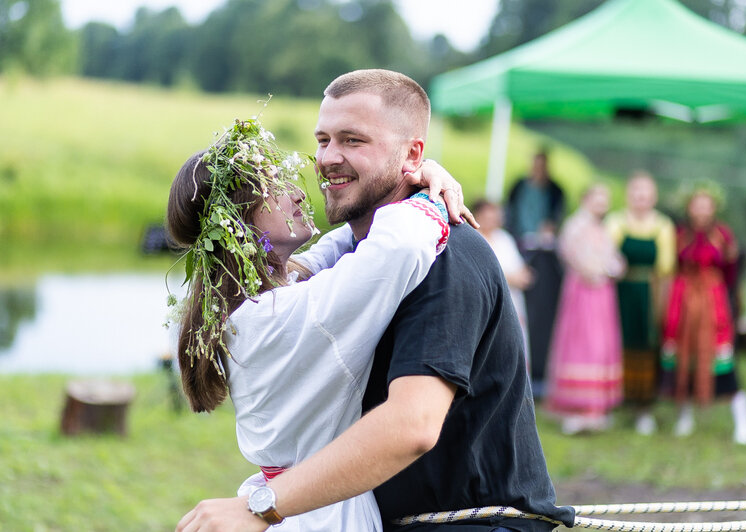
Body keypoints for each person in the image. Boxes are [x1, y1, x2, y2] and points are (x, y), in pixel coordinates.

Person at [178, 69, 574, 532]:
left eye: (352, 140)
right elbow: (368, 247)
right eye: (323, 140)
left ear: (411, 151)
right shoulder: (326, 282)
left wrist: (425, 181)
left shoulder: (444, 257)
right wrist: (426, 183)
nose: (326, 158)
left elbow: (413, 424)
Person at [167, 116, 469, 530]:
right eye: (273, 189)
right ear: (239, 222)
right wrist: (432, 195)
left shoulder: (254, 301)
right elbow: (394, 248)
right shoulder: (274, 318)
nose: (295, 192)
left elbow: (338, 249)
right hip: (317, 511)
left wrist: (414, 169)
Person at [661, 182, 746, 445]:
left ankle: (742, 421)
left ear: (714, 208)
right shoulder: (679, 234)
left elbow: (731, 274)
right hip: (684, 302)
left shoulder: (723, 235)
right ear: (689, 208)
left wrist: (733, 306)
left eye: (706, 205)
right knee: (684, 357)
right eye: (696, 205)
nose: (701, 211)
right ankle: (685, 415)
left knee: (723, 358)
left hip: (714, 304)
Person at [546, 185, 625, 434]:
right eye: (597, 199)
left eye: (605, 200)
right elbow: (572, 255)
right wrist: (598, 271)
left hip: (602, 294)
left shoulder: (602, 228)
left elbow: (615, 258)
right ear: (586, 199)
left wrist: (613, 268)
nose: (601, 205)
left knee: (601, 344)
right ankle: (576, 407)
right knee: (582, 343)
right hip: (583, 291)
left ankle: (595, 406)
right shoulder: (575, 226)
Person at [605, 171, 676, 436]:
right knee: (615, 341)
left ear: (653, 197)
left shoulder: (663, 225)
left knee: (645, 344)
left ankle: (644, 407)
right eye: (636, 192)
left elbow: (667, 267)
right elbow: (606, 255)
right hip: (618, 291)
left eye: (645, 193)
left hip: (649, 291)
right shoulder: (616, 222)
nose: (640, 198)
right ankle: (614, 400)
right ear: (628, 195)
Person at [505, 151, 566, 396]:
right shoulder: (519, 187)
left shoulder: (554, 191)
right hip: (522, 250)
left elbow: (556, 217)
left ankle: (539, 372)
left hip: (543, 258)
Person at [473, 198, 534, 371]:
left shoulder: (504, 238)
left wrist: (523, 275)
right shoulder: (474, 237)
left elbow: (519, 266)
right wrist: (509, 278)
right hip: (488, 301)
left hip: (512, 300)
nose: (493, 219)